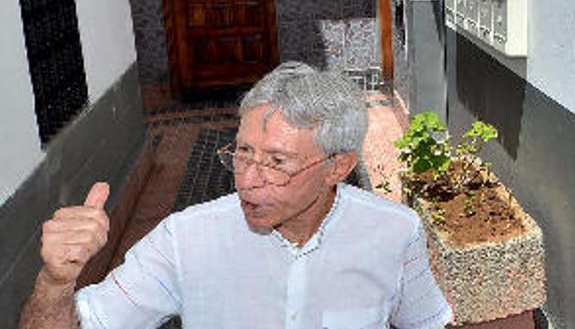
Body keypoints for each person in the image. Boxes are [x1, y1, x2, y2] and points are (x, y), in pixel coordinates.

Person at [19, 62, 452, 328]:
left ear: (337, 167)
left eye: (277, 162)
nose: (248, 179)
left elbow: (425, 322)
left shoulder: (395, 232)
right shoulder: (185, 240)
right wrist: (55, 283)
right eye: (243, 153)